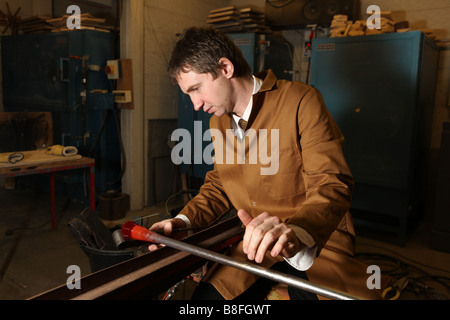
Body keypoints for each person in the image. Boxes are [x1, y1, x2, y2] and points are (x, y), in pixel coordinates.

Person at [149, 26, 382, 300]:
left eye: (196, 89)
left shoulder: (301, 101)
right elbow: (220, 184)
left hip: (313, 240)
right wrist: (182, 221)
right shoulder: (219, 122)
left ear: (225, 68)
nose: (195, 104)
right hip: (253, 246)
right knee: (205, 302)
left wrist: (297, 232)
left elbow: (332, 182)